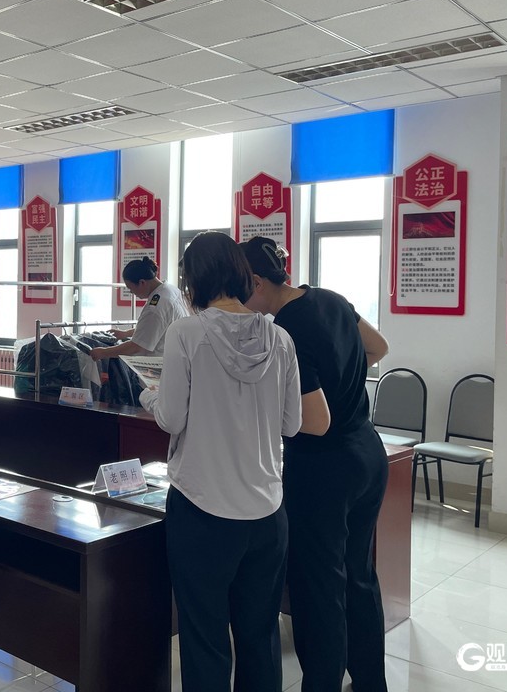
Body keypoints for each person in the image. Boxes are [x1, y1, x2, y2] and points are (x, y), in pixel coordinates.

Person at [140, 232, 304, 692]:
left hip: (202, 510)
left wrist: (149, 395)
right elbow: (292, 424)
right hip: (268, 511)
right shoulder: (281, 338)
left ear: (193, 281)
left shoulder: (187, 334)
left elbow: (171, 418)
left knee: (205, 638)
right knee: (259, 634)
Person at [240, 236, 391, 692]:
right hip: (368, 452)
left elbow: (316, 422)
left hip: (324, 469)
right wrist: (344, 377)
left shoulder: (286, 330)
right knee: (358, 574)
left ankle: (322, 683)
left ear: (256, 281)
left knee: (318, 584)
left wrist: (268, 408)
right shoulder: (329, 298)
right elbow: (378, 347)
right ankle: (370, 681)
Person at [89, 257, 187, 361]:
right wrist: (125, 334)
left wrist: (103, 352)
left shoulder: (155, 307)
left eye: (131, 288)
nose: (132, 293)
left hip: (160, 365)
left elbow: (136, 347)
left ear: (142, 282)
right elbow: (151, 328)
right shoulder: (171, 290)